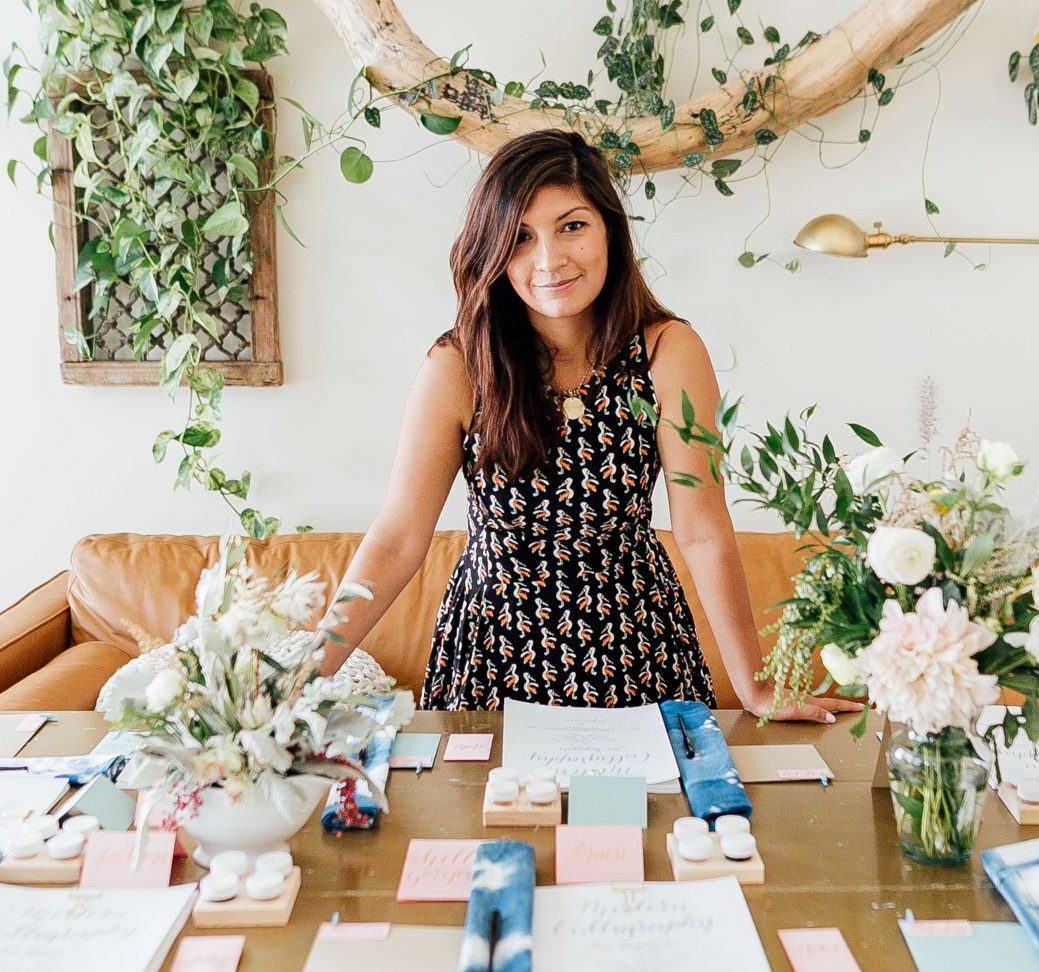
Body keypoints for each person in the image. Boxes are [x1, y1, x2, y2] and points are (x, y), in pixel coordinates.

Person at [318, 128, 850, 724]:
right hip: (492, 657)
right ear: (492, 251)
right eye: (520, 238)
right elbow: (396, 540)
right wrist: (301, 679)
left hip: (641, 651)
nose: (549, 260)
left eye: (572, 226)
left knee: (656, 820)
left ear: (610, 232)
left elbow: (701, 528)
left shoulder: (668, 351)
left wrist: (756, 687)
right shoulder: (458, 366)